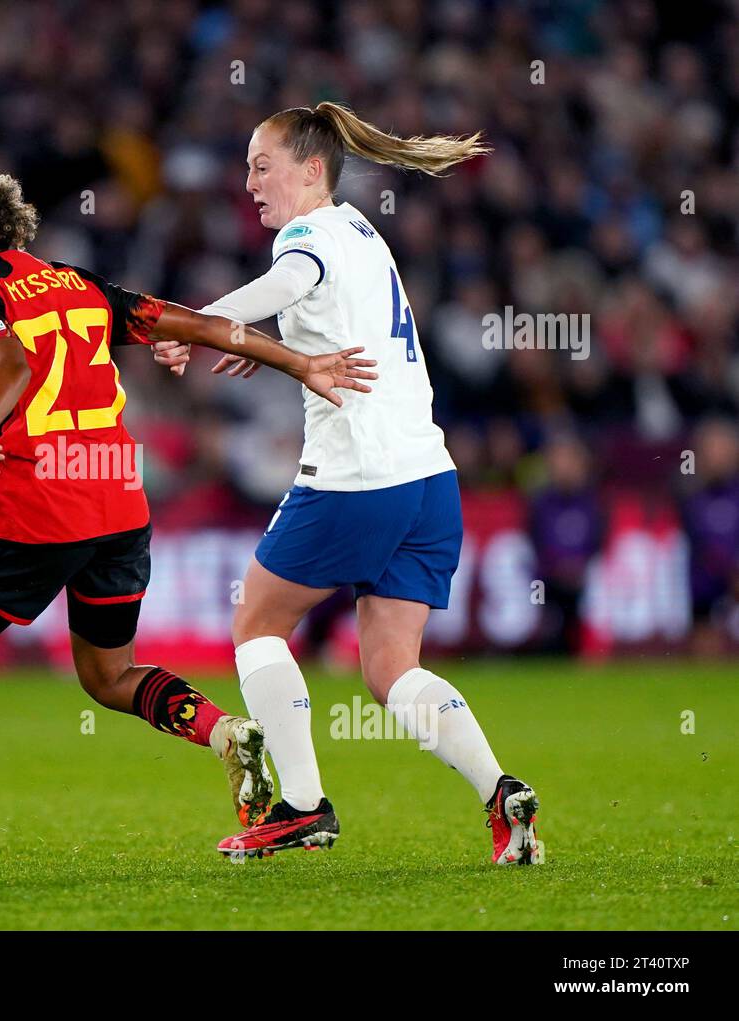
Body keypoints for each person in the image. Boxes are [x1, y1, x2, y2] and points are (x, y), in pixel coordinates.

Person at [0, 144, 378, 850]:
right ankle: (224, 728)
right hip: (121, 503)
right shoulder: (75, 282)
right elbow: (202, 325)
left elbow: (11, 364)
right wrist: (301, 363)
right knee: (108, 671)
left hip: (37, 509)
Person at [154, 104, 543, 865]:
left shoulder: (307, 237)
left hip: (356, 478)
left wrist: (195, 324)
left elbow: (291, 280)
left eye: (260, 165)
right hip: (430, 479)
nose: (250, 182)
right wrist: (263, 343)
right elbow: (319, 308)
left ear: (309, 168)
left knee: (257, 625)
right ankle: (502, 793)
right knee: (392, 667)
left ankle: (302, 806)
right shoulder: (362, 229)